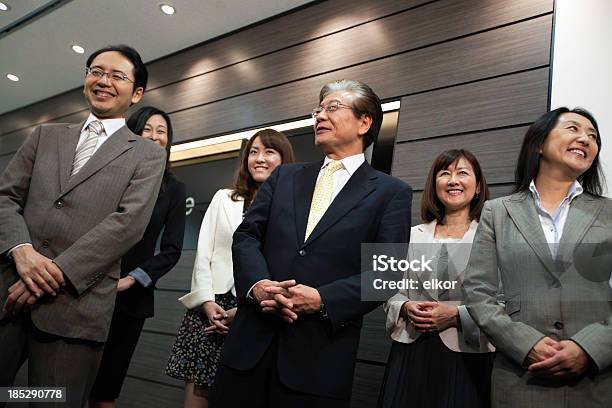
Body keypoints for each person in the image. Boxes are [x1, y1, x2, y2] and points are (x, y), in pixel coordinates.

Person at [209, 79, 413, 408]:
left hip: (317, 360)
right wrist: (259, 285)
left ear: (364, 122)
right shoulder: (284, 176)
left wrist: (322, 299)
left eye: (332, 108)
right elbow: (247, 236)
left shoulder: (391, 192)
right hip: (248, 350)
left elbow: (386, 274)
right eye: (318, 109)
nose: (319, 116)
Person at [0, 45, 166, 407]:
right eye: (96, 71)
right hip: (8, 291)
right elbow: (5, 197)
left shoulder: (148, 154)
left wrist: (54, 273)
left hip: (75, 308)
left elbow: (128, 224)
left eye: (117, 76)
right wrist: (22, 253)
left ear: (136, 93)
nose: (103, 81)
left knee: (51, 400)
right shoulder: (45, 135)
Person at [463, 107, 612, 407]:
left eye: (593, 136)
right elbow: (478, 291)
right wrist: (525, 344)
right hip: (521, 377)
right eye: (573, 129)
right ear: (539, 144)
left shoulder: (609, 212)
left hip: (596, 380)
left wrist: (590, 348)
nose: (585, 139)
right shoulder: (498, 211)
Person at [166, 129, 295, 408]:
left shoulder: (292, 210)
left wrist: (247, 309)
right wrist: (207, 303)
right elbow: (204, 254)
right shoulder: (224, 198)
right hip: (210, 310)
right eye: (253, 152)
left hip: (257, 312)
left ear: (285, 160)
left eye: (269, 152)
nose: (259, 159)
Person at [379, 149, 494, 408]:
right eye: (445, 174)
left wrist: (456, 315)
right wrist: (406, 306)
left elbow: (503, 298)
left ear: (477, 187)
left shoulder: (493, 237)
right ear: (435, 185)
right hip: (410, 348)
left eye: (462, 173)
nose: (453, 180)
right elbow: (385, 288)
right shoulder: (409, 234)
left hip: (468, 353)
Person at [89, 106, 187, 408]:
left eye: (162, 132)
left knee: (106, 387)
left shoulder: (174, 189)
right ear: (132, 132)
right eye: (148, 129)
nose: (155, 137)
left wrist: (132, 279)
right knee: (61, 381)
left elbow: (171, 250)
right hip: (85, 288)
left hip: (130, 299)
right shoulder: (105, 173)